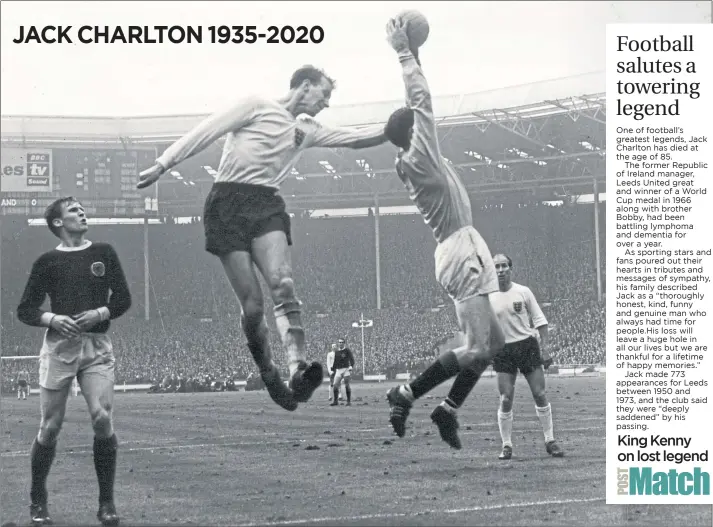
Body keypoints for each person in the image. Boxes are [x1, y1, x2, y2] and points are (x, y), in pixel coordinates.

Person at [137, 65, 386, 412]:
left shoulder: (307, 129)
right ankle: (269, 372)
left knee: (283, 283)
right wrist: (164, 163)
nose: (326, 103)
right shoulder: (255, 106)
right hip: (226, 203)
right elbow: (206, 131)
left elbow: (356, 138)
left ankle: (298, 368)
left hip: (266, 202)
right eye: (324, 94)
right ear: (304, 85)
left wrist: (399, 128)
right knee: (253, 306)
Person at [382, 19, 505, 449]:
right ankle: (406, 394)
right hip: (458, 246)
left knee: (493, 344)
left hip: (462, 245)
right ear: (413, 134)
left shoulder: (411, 154)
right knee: (476, 347)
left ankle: (447, 410)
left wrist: (416, 55)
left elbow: (411, 108)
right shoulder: (420, 155)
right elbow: (421, 99)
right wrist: (402, 53)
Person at [17, 197, 132, 526]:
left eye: (82, 209)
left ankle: (106, 504)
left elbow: (122, 298)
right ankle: (38, 499)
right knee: (50, 427)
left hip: (96, 345)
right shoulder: (46, 261)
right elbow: (26, 309)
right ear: (57, 223)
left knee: (101, 417)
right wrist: (51, 318)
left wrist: (101, 311)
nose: (82, 213)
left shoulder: (104, 253)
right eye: (73, 211)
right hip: (59, 347)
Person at [489, 254, 563, 459]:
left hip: (527, 346)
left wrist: (546, 348)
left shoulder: (523, 292)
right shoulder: (488, 297)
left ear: (510, 269)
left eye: (504, 266)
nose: (501, 269)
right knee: (505, 398)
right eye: (497, 266)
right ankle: (506, 445)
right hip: (503, 350)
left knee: (539, 394)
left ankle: (550, 440)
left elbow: (541, 321)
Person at [330, 338, 355, 406]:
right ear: (338, 343)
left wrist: (351, 366)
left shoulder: (347, 350)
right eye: (339, 342)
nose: (340, 343)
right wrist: (333, 369)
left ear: (344, 343)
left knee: (347, 385)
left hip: (346, 369)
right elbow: (335, 361)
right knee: (335, 385)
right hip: (339, 370)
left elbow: (352, 359)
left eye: (342, 342)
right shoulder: (337, 352)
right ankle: (335, 401)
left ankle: (348, 401)